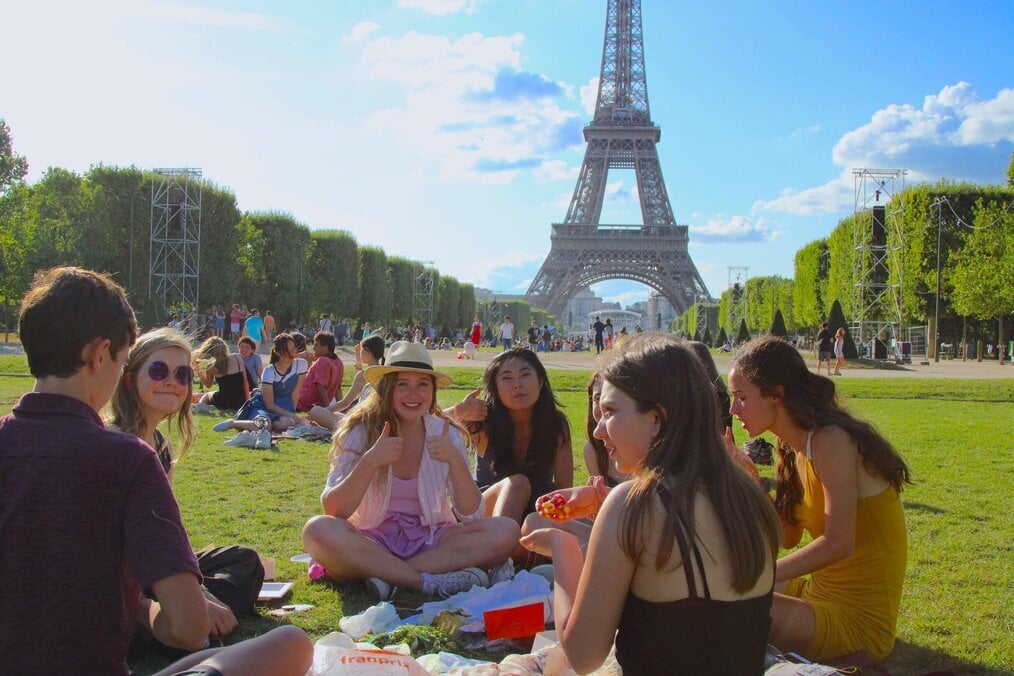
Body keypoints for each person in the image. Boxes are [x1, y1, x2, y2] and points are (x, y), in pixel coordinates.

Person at [0, 267, 311, 675]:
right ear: (99, 354)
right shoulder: (125, 458)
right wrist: (146, 609)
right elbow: (186, 627)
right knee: (289, 644)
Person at [520, 334, 780, 675]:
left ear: (657, 418)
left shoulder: (632, 505)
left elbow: (583, 655)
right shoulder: (749, 497)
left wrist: (562, 548)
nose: (598, 431)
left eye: (610, 412)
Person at [727, 336, 910, 662]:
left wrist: (765, 576)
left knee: (729, 603)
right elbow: (787, 536)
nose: (733, 409)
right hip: (817, 596)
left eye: (741, 397)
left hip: (858, 625)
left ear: (775, 395)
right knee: (723, 589)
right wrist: (751, 482)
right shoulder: (790, 446)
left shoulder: (830, 440)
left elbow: (840, 542)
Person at [301, 341, 521, 601]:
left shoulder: (446, 432)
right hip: (371, 539)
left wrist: (456, 462)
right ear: (386, 389)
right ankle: (423, 582)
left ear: (432, 392)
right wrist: (370, 461)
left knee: (506, 530)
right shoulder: (359, 432)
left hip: (431, 539)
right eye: (402, 384)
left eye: (422, 385)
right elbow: (334, 510)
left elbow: (472, 515)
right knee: (317, 531)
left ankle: (384, 576)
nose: (413, 394)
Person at [107, 328, 269, 655]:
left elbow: (168, 537)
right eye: (158, 371)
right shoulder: (112, 445)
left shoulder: (160, 447)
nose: (171, 381)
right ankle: (177, 627)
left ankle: (189, 621)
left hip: (154, 570)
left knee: (247, 562)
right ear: (129, 380)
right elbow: (112, 552)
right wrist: (196, 598)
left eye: (182, 374)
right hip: (117, 579)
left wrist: (198, 592)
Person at [460, 347, 573, 525]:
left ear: (541, 380)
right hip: (486, 511)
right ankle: (499, 544)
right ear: (495, 388)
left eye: (525, 375)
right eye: (506, 378)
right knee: (518, 484)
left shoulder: (555, 424)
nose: (517, 384)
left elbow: (565, 489)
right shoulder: (484, 421)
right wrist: (459, 412)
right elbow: (425, 428)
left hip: (534, 512)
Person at [214, 333, 307, 433]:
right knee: (266, 424)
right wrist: (293, 416)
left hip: (284, 404)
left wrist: (292, 414)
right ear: (278, 352)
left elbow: (295, 393)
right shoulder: (269, 371)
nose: (292, 354)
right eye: (287, 351)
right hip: (264, 404)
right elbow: (269, 404)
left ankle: (266, 425)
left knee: (287, 423)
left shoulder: (301, 364)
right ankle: (232, 423)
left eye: (293, 349)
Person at [308, 334, 385, 430]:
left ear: (368, 352)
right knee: (336, 415)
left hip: (361, 425)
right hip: (377, 423)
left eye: (362, 350)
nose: (360, 352)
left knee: (315, 411)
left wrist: (324, 411)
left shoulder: (363, 376)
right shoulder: (385, 373)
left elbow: (345, 403)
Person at [195, 336, 249, 411]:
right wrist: (247, 402)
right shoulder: (237, 357)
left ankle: (200, 406)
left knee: (207, 395)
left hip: (223, 400)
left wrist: (198, 369)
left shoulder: (211, 367)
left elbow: (208, 385)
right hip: (240, 399)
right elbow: (245, 382)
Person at [297, 331, 343, 412]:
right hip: (309, 405)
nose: (313, 348)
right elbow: (335, 388)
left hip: (308, 404)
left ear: (325, 347)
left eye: (316, 345)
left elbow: (322, 387)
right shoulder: (338, 362)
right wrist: (341, 409)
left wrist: (328, 409)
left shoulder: (323, 360)